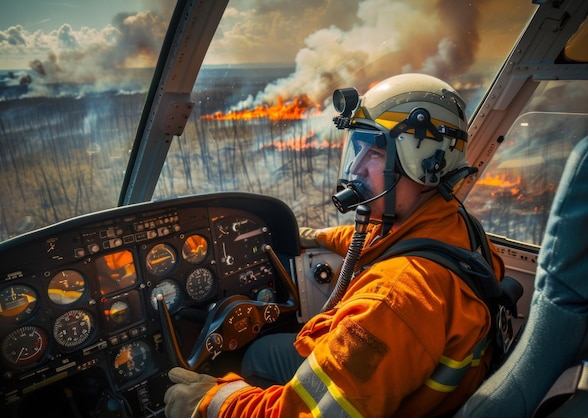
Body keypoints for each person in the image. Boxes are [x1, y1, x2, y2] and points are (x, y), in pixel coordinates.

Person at [164, 73, 505, 417]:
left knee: (255, 356)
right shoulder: (461, 228)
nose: (356, 167)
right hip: (422, 387)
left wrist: (212, 403)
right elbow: (382, 242)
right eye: (358, 148)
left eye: (374, 152)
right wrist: (316, 236)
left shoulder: (393, 300)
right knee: (267, 350)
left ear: (425, 164)